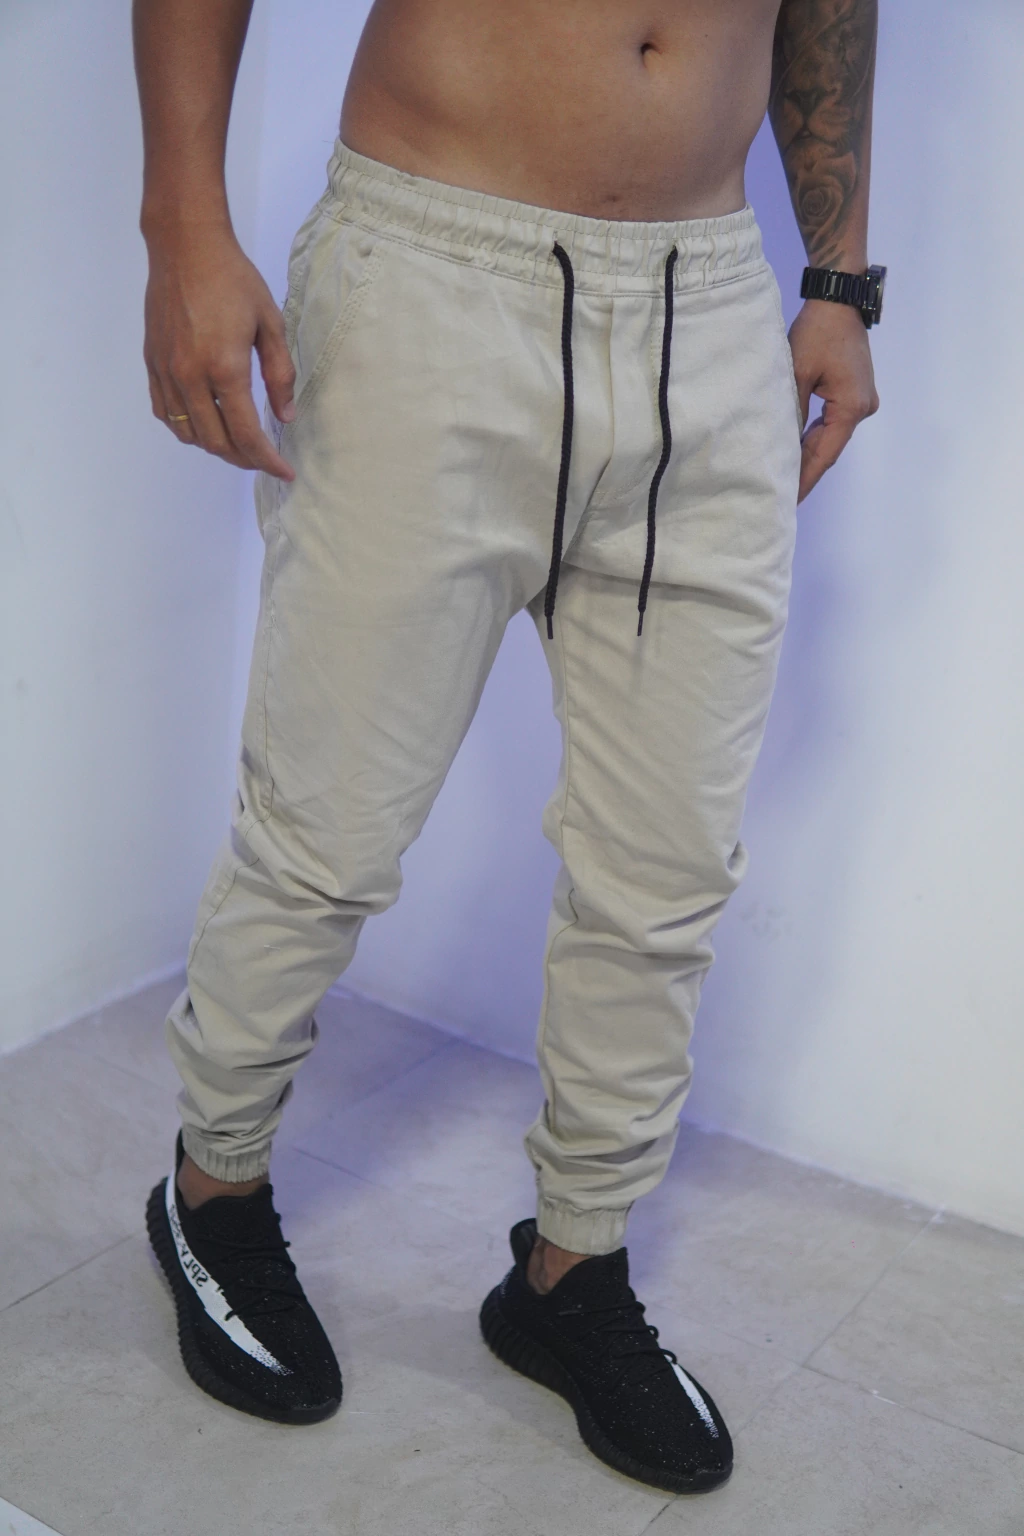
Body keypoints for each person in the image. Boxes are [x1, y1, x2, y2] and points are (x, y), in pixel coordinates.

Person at [134, 0, 881, 1494]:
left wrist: (840, 278)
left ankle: (570, 1273)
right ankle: (211, 1192)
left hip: (710, 312)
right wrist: (183, 227)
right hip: (433, 270)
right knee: (327, 832)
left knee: (663, 871)